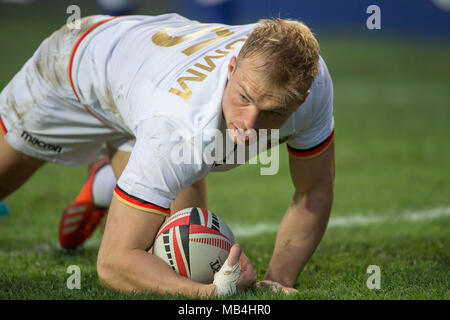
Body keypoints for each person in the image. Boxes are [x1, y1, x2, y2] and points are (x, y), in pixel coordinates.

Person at [0, 13, 335, 296]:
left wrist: (276, 280)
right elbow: (113, 264)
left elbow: (314, 190)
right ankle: (113, 181)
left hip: (147, 82)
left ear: (302, 100)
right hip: (77, 64)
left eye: (272, 112)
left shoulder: (314, 83)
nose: (248, 124)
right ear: (231, 69)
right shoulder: (182, 129)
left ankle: (108, 184)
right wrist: (208, 293)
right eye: (244, 97)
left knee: (187, 248)